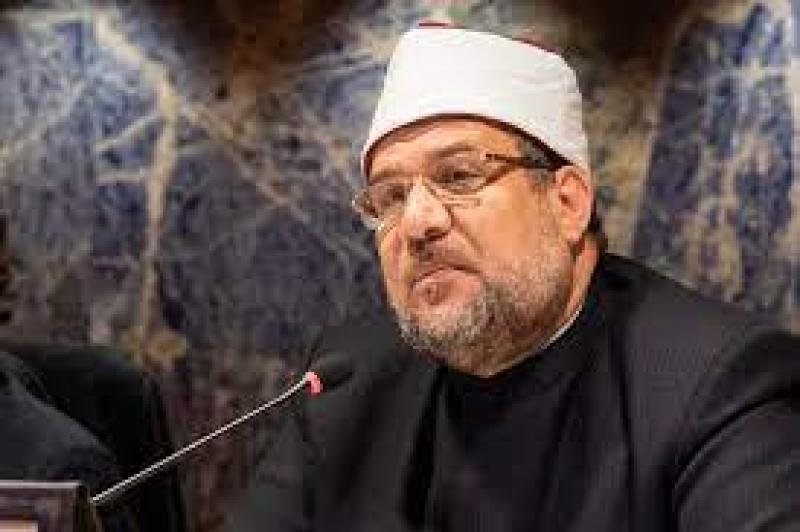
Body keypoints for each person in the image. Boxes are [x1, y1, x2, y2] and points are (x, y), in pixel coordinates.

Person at [227, 25, 800, 532]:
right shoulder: (347, 383)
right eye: (391, 197)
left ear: (567, 203)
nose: (417, 222)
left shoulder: (713, 386)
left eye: (459, 176)